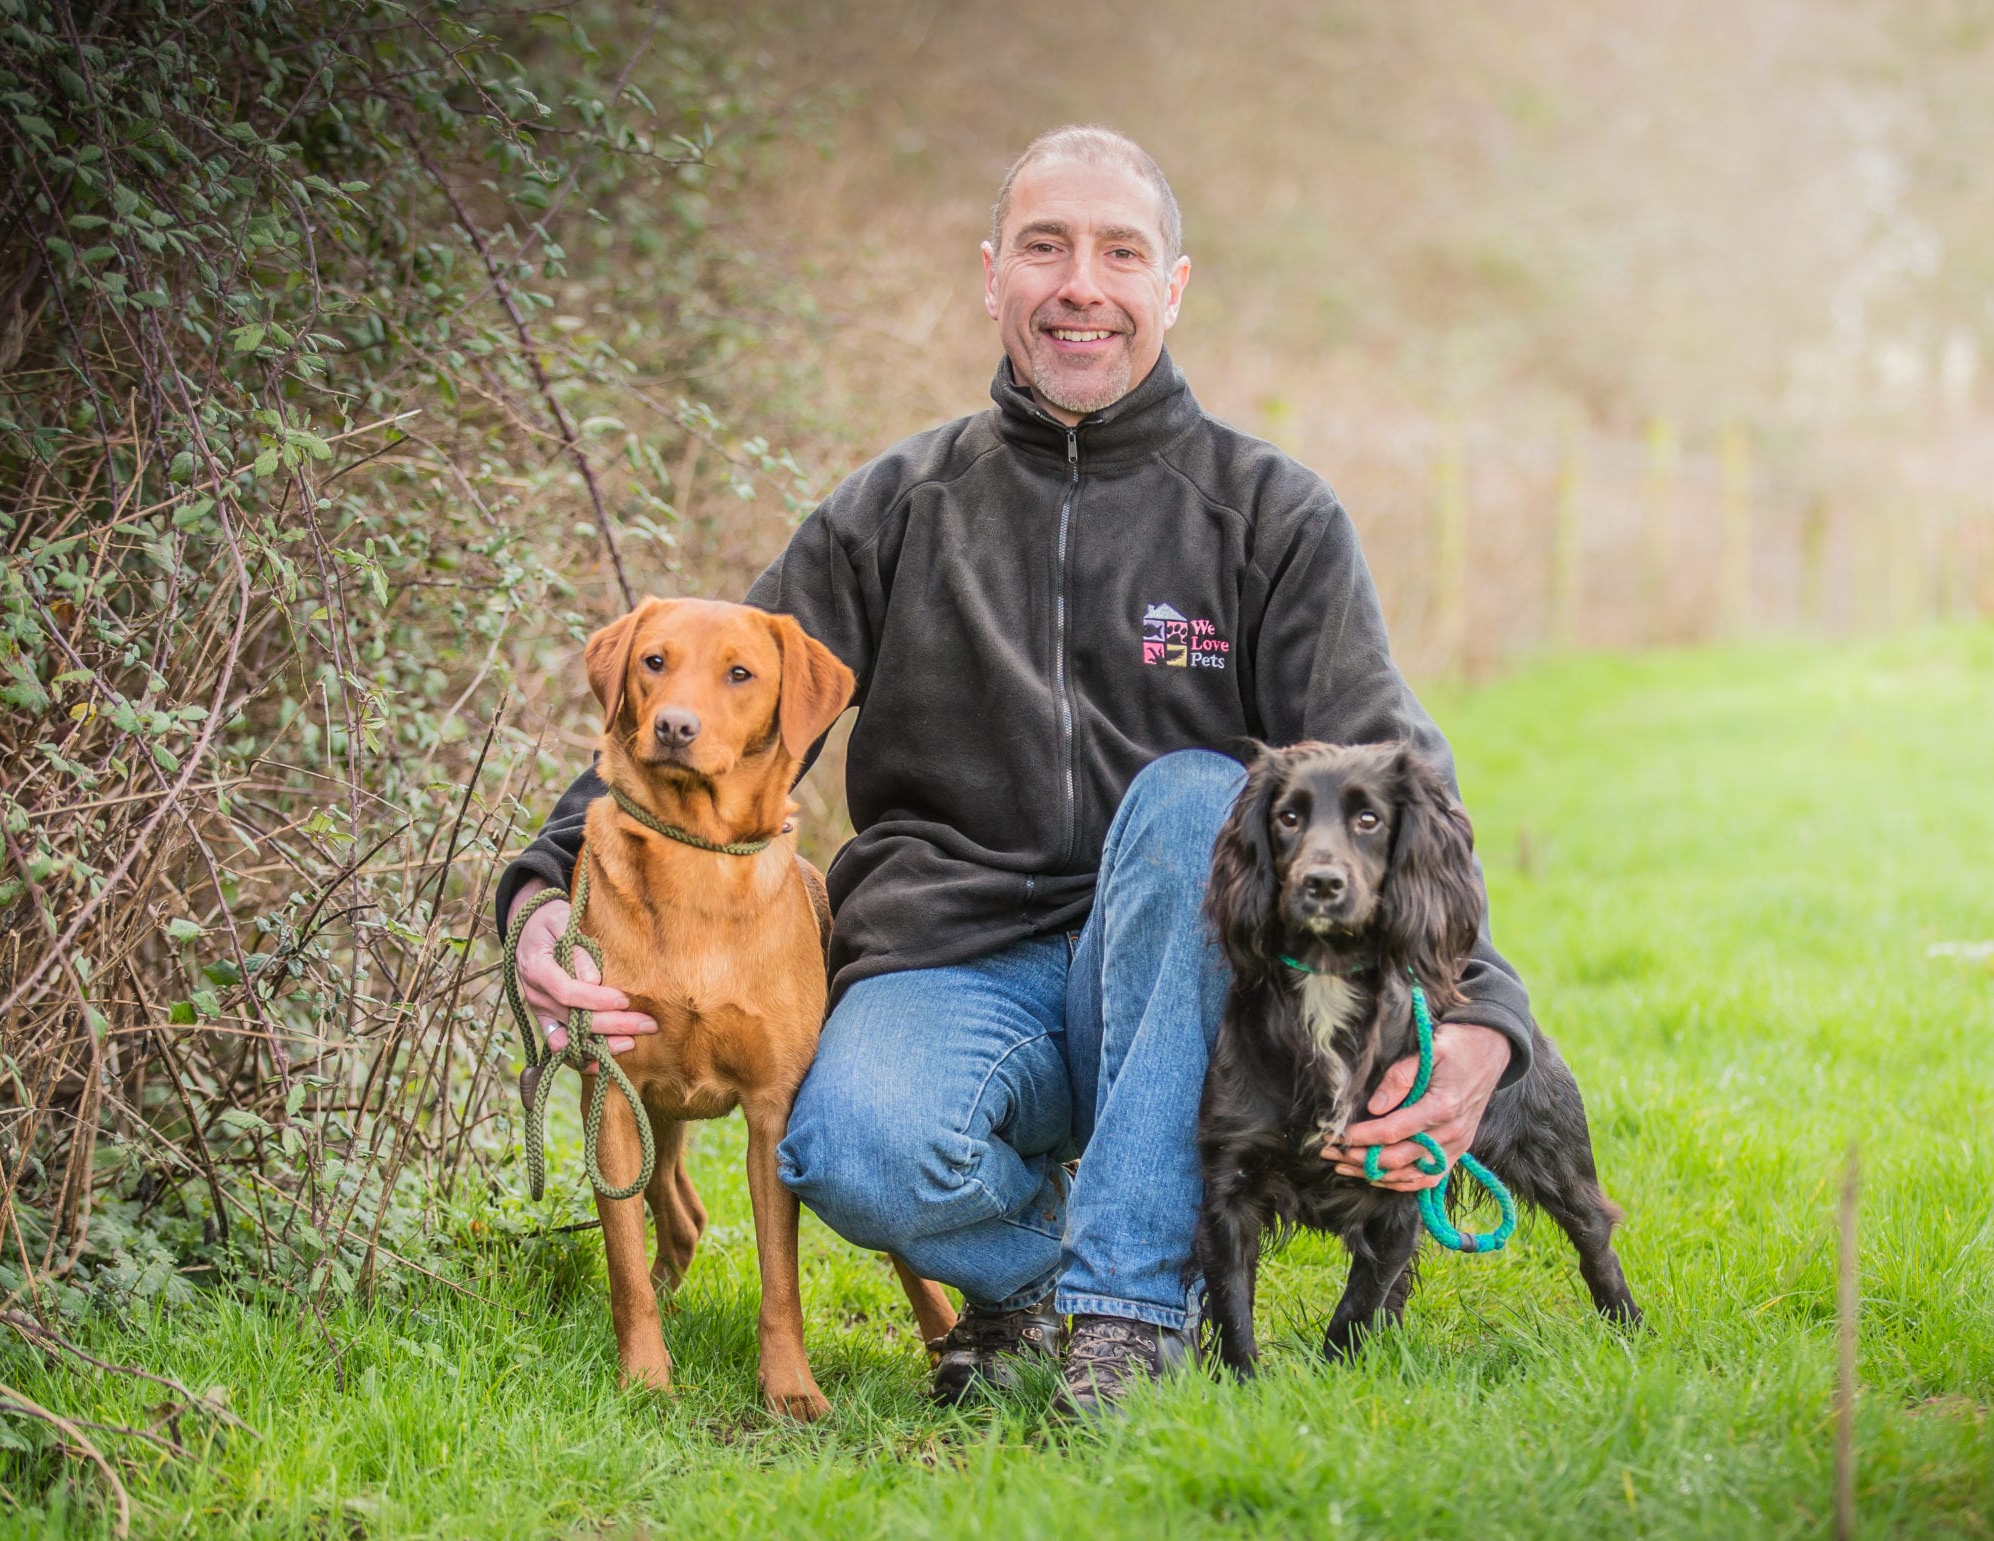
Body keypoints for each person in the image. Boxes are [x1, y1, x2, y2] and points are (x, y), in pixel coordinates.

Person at [497, 126, 1533, 1415]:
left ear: (1174, 285)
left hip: (1176, 986)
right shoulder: (895, 509)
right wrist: (542, 901)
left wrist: (1488, 1017)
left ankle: (1123, 1327)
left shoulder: (1273, 518)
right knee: (845, 1150)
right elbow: (696, 719)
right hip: (951, 960)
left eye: (1119, 252)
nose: (1079, 283)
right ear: (994, 277)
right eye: (1045, 247)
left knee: (1192, 797)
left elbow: (1404, 788)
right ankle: (1064, 1283)